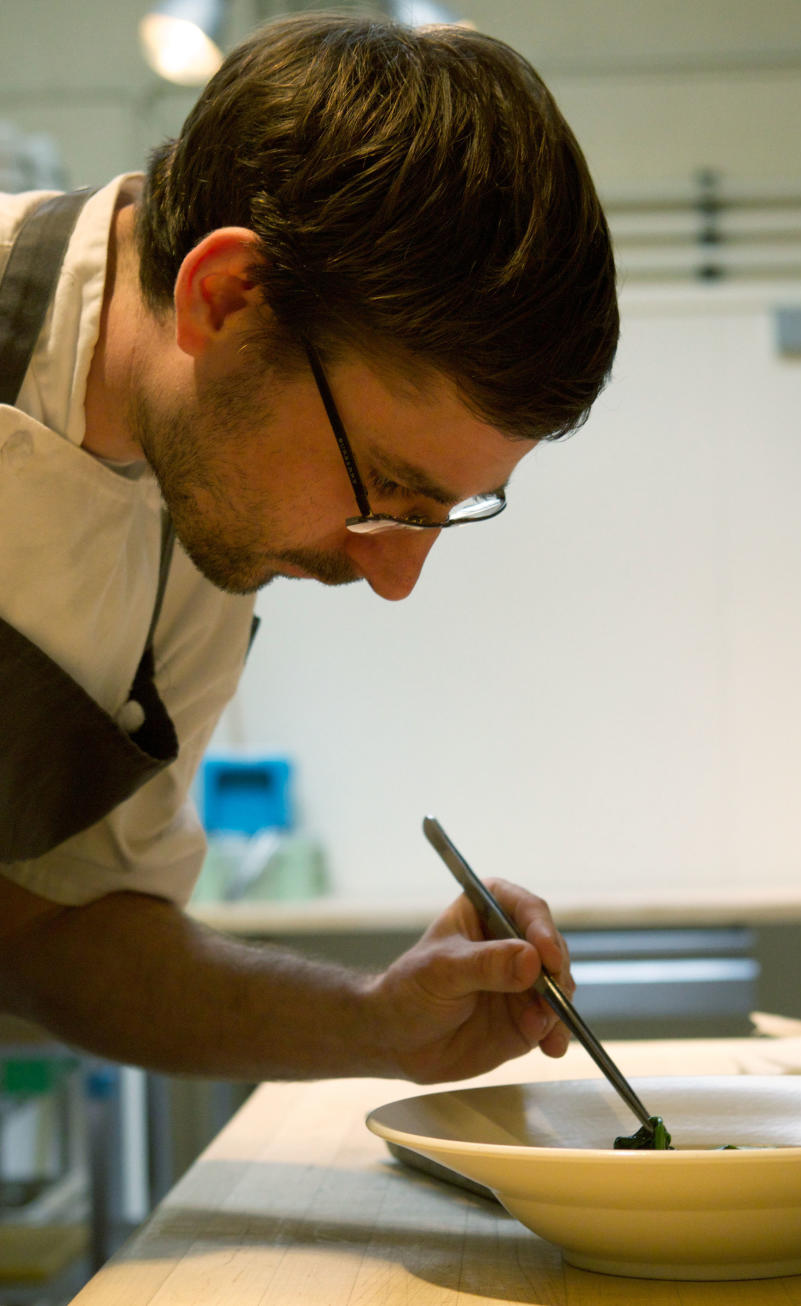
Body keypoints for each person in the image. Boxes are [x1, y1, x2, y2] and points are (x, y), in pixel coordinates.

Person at [0, 14, 618, 1085]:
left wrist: (376, 1022)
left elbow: (51, 929)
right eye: (386, 487)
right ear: (225, 297)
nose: (394, 575)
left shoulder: (201, 514)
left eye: (445, 513)